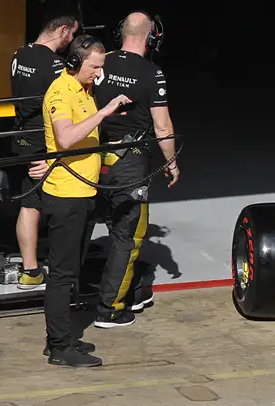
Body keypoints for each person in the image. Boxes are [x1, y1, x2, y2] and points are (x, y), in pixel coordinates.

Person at [41, 34, 132, 366]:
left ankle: (66, 337)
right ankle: (60, 345)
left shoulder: (84, 90)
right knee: (62, 273)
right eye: (95, 67)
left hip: (85, 193)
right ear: (74, 63)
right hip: (66, 196)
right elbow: (64, 137)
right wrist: (104, 113)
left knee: (73, 270)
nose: (99, 73)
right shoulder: (60, 92)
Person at [92, 12, 178, 329]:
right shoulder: (152, 73)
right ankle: (109, 309)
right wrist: (171, 162)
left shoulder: (99, 61)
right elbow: (162, 125)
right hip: (129, 163)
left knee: (95, 227)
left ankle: (125, 291)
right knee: (128, 235)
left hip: (90, 158)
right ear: (152, 38)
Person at [8, 12, 80, 290]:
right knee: (58, 205)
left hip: (21, 137)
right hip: (45, 143)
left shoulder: (19, 54)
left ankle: (30, 270)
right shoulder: (55, 67)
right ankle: (63, 271)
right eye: (71, 34)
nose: (71, 40)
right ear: (62, 30)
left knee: (29, 205)